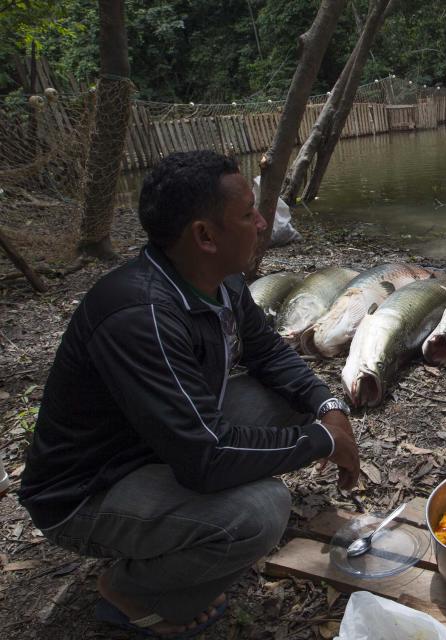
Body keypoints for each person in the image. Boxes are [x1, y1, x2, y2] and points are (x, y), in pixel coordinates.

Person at [18, 151, 360, 638]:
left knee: (289, 401)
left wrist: (328, 408)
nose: (263, 223)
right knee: (260, 512)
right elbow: (206, 457)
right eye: (247, 213)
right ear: (204, 235)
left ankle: (170, 537)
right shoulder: (142, 316)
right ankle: (131, 590)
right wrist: (325, 443)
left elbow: (268, 354)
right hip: (87, 490)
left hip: (153, 442)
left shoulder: (220, 281)